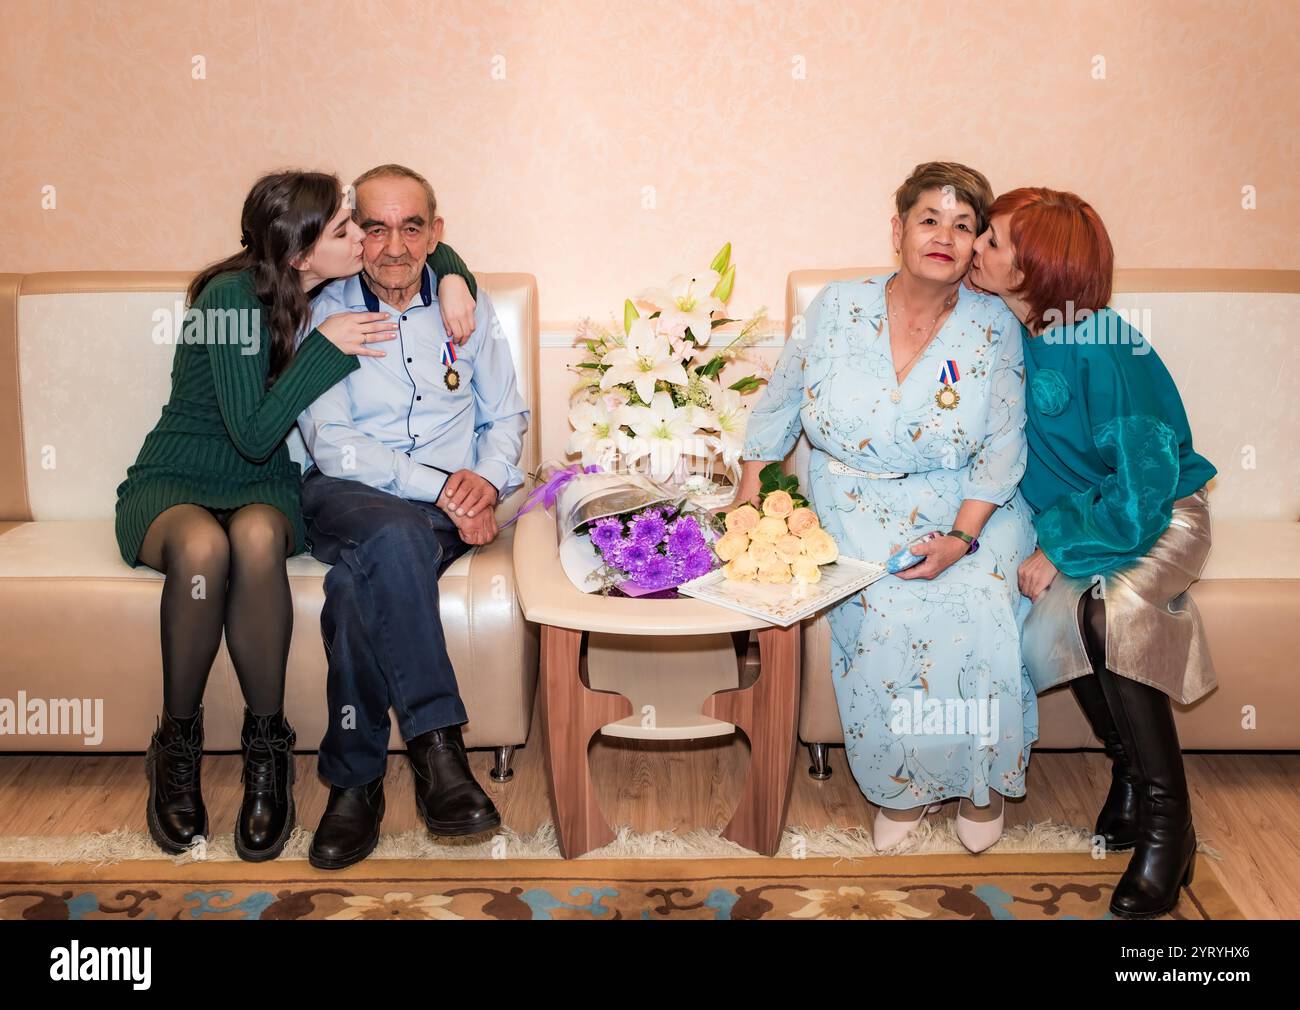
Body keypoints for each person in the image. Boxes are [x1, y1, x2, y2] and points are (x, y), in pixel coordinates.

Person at [115, 169, 479, 860]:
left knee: (253, 537)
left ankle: (266, 747)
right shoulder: (229, 297)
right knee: (203, 551)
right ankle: (178, 746)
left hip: (265, 488)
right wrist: (324, 350)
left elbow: (418, 235)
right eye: (348, 230)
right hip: (178, 479)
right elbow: (251, 433)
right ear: (301, 252)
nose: (367, 240)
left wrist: (453, 274)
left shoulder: (311, 289)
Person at [732, 162, 1038, 853]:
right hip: (856, 501)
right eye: (929, 219)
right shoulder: (837, 308)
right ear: (898, 230)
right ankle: (904, 785)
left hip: (968, 506)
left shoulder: (995, 328)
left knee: (981, 603)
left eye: (964, 227)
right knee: (887, 605)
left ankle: (979, 781)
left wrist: (961, 540)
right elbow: (780, 403)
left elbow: (1003, 446)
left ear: (975, 245)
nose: (944, 237)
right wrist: (750, 496)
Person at [969, 187, 1217, 918]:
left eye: (994, 240)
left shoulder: (1105, 342)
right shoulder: (1010, 329)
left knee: (1106, 610)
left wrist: (1066, 545)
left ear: (1036, 263)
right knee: (1059, 618)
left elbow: (1145, 484)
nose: (978, 247)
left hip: (1160, 515)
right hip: (1084, 522)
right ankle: (1129, 777)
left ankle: (1171, 828)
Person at [295, 164, 530, 870]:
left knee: (353, 587)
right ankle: (439, 753)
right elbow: (330, 443)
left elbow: (506, 414)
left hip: (440, 506)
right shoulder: (326, 311)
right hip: (346, 493)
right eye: (375, 226)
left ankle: (354, 782)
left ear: (436, 233)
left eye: (410, 226)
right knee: (391, 531)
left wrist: (485, 483)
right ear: (354, 234)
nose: (394, 245)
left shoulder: (467, 306)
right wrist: (443, 489)